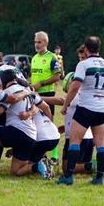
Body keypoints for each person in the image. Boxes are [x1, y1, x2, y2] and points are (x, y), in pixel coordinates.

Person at [56, 36, 104, 186]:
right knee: (101, 143)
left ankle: (68, 177)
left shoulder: (83, 64)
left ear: (87, 49)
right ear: (99, 48)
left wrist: (65, 106)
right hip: (102, 109)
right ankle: (99, 178)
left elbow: (75, 86)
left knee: (74, 141)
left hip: (86, 108)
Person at [0, 69, 51, 178]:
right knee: (16, 171)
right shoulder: (27, 90)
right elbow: (45, 107)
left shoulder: (9, 91)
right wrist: (49, 124)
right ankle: (37, 166)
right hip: (30, 135)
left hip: (17, 132)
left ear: (3, 81)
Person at [30, 31, 61, 165]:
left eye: (39, 42)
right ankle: (40, 155)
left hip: (47, 95)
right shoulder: (34, 58)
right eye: (35, 42)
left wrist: (41, 84)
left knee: (49, 124)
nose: (37, 44)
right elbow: (34, 76)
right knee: (35, 124)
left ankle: (54, 156)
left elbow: (57, 76)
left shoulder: (52, 57)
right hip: (34, 95)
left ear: (46, 43)